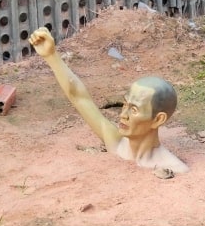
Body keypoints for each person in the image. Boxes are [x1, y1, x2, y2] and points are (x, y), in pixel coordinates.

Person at [29, 27, 189, 173]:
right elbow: (79, 97)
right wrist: (51, 56)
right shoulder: (116, 143)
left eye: (134, 110)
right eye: (124, 104)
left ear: (158, 119)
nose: (122, 115)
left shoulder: (174, 168)